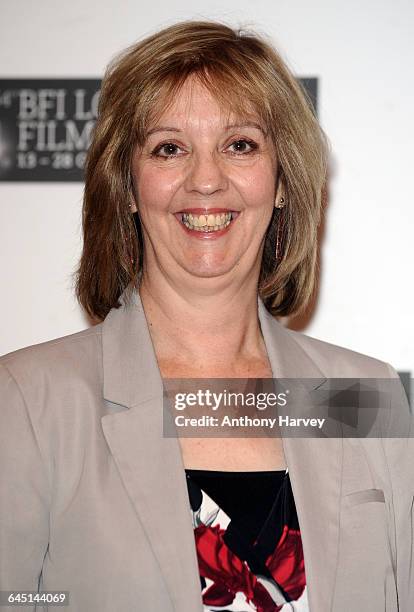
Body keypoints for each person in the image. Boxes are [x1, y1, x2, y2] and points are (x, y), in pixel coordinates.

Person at [0, 19, 412, 612]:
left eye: (239, 144)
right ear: (130, 186)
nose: (207, 178)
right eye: (170, 148)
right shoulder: (30, 403)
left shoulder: (360, 396)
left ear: (279, 182)